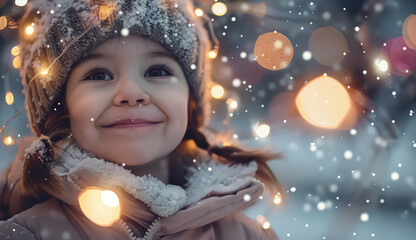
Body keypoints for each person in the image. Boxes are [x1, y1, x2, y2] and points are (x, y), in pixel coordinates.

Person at [0, 0, 282, 239]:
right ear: (60, 109)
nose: (132, 93)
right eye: (99, 74)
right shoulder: (26, 232)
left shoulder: (246, 234)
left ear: (190, 100)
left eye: (157, 71)